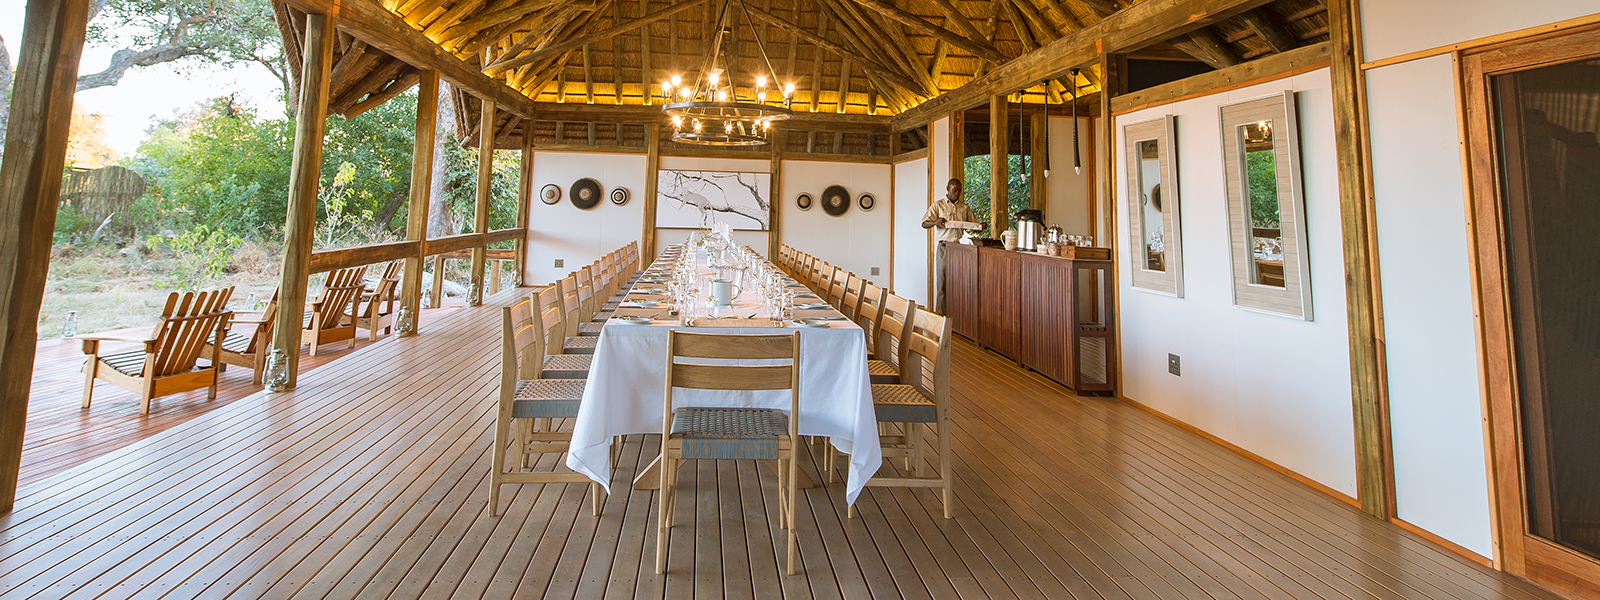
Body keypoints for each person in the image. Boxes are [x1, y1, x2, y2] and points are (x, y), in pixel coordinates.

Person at [922, 178, 980, 314]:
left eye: (959, 190)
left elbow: (975, 225)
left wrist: (981, 226)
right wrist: (935, 222)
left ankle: (957, 318)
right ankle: (940, 318)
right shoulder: (938, 206)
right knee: (942, 283)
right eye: (954, 190)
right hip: (944, 247)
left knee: (959, 283)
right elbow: (924, 223)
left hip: (960, 248)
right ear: (947, 189)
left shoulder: (964, 208)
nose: (956, 193)